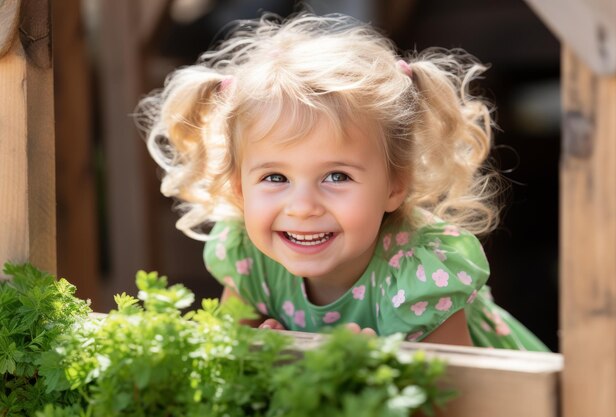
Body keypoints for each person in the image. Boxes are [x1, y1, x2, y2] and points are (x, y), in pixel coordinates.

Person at [136, 12, 548, 350]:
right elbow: (224, 365)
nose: (303, 206)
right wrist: (261, 360)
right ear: (239, 188)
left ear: (395, 184)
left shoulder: (420, 274)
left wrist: (373, 375)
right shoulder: (250, 259)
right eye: (275, 177)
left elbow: (457, 402)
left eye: (337, 176)